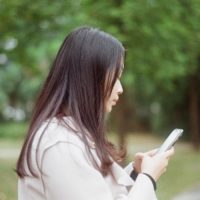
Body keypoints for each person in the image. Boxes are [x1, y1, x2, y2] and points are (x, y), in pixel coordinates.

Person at [16, 26, 174, 200]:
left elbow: (98, 190)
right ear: (91, 78)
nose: (120, 89)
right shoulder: (61, 144)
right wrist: (148, 178)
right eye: (116, 76)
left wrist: (136, 174)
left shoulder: (69, 136)